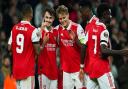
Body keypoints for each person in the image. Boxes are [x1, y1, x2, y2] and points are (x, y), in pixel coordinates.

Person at [79, 3, 128, 89]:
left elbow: (83, 46)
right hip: (102, 69)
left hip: (91, 69)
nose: (111, 16)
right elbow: (103, 50)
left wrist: (82, 66)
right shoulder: (104, 30)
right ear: (105, 14)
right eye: (109, 13)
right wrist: (122, 52)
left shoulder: (89, 26)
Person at [8, 4, 41, 89]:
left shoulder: (14, 28)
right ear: (31, 14)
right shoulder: (33, 30)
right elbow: (38, 51)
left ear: (22, 14)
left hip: (16, 69)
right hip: (27, 71)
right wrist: (43, 42)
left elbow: (9, 48)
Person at [55, 5, 86, 89]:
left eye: (64, 18)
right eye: (60, 19)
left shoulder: (78, 28)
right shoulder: (57, 30)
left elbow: (84, 47)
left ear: (68, 15)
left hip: (79, 69)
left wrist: (75, 39)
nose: (62, 21)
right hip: (66, 71)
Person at [37, 7, 58, 89]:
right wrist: (41, 30)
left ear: (53, 19)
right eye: (46, 17)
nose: (48, 20)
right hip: (43, 71)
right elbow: (35, 50)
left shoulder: (56, 32)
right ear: (43, 18)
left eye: (50, 18)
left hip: (54, 71)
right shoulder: (38, 31)